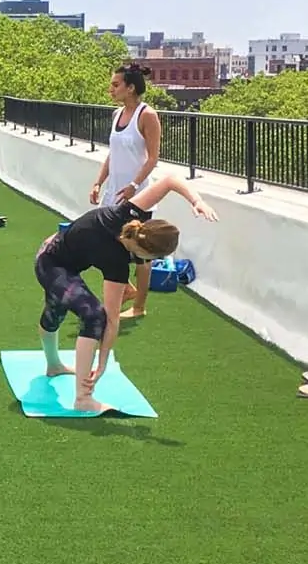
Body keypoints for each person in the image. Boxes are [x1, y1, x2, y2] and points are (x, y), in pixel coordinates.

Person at [35, 173, 217, 414]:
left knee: (56, 311)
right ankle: (83, 399)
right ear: (145, 250)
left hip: (62, 261)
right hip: (49, 262)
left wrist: (197, 201)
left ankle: (54, 366)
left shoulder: (129, 216)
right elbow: (109, 318)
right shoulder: (117, 257)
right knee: (91, 314)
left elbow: (170, 181)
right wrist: (100, 364)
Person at [90, 62, 161, 320]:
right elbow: (113, 153)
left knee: (141, 254)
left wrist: (133, 185)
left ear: (130, 88)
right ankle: (127, 289)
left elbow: (153, 158)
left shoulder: (147, 115)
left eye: (116, 84)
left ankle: (139, 306)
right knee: (102, 243)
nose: (111, 89)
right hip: (114, 193)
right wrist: (98, 181)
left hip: (139, 195)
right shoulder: (116, 115)